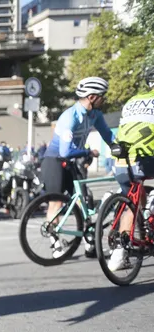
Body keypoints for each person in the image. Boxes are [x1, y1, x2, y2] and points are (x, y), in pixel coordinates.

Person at [41, 77, 114, 258]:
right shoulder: (70, 116)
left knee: (84, 201)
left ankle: (90, 243)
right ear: (91, 97)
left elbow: (108, 135)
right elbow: (65, 151)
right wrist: (88, 152)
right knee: (56, 202)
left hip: (73, 162)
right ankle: (56, 243)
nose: (104, 99)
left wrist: (121, 147)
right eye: (101, 96)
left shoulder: (95, 115)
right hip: (54, 160)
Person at [107, 67, 154, 271]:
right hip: (146, 158)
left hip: (121, 162)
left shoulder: (132, 101)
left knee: (131, 202)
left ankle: (119, 255)